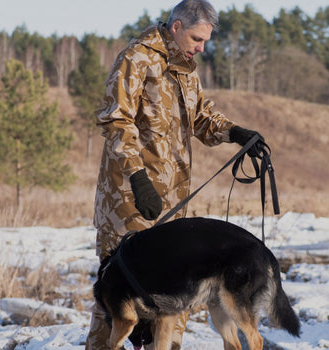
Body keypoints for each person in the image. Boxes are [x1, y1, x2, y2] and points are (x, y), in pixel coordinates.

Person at [86, 0, 264, 349]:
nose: (201, 47)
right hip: (128, 202)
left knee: (174, 291)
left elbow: (201, 117)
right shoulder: (136, 57)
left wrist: (237, 133)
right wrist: (138, 179)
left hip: (173, 201)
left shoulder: (185, 67)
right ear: (177, 27)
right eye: (198, 38)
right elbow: (115, 120)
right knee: (117, 296)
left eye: (205, 42)